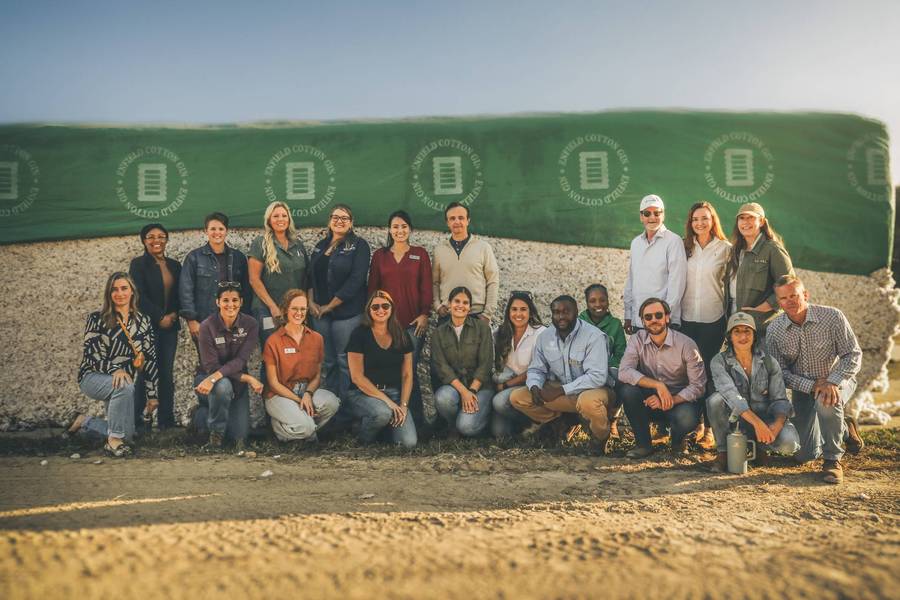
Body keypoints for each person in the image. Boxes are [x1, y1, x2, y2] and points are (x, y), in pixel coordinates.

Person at [767, 275, 862, 484]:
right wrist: (811, 385)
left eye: (794, 295)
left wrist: (831, 382)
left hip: (838, 380)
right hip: (804, 389)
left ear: (805, 295)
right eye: (783, 298)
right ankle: (844, 428)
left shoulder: (832, 317)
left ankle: (832, 461)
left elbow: (853, 355)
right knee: (805, 455)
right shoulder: (774, 330)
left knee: (826, 400)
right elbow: (779, 373)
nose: (789, 302)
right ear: (778, 302)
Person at [510, 295, 614, 454]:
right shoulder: (545, 337)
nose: (561, 317)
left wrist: (560, 390)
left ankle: (600, 438)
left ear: (576, 312)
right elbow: (536, 368)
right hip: (563, 394)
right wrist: (535, 386)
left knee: (588, 402)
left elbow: (597, 377)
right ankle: (559, 422)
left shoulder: (594, 336)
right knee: (518, 397)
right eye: (556, 312)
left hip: (594, 391)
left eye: (566, 312)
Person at [70, 272, 159, 457]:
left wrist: (152, 396)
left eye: (124, 288)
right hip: (93, 377)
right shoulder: (96, 319)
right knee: (125, 385)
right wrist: (115, 369)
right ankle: (112, 443)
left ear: (132, 292)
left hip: (122, 385)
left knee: (129, 437)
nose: (120, 293)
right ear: (109, 294)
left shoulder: (144, 322)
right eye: (114, 289)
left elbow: (149, 360)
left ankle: (85, 422)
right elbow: (91, 355)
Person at [706, 312, 800, 473]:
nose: (743, 336)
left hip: (765, 419)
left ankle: (760, 449)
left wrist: (776, 425)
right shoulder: (719, 361)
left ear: (754, 335)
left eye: (747, 331)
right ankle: (723, 452)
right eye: (737, 331)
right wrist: (757, 424)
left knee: (789, 444)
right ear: (729, 336)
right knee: (715, 400)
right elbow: (731, 395)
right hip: (735, 422)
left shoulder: (770, 362)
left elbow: (780, 400)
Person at [367, 210, 432, 433]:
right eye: (395, 226)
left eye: (404, 226)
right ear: (389, 229)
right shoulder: (380, 256)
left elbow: (426, 287)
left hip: (412, 326)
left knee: (409, 372)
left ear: (410, 229)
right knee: (389, 371)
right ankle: (390, 423)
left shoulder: (420, 254)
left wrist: (424, 313)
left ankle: (417, 425)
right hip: (386, 327)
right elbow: (372, 290)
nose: (400, 230)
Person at [617, 297, 706, 459]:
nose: (654, 320)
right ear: (643, 322)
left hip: (679, 401)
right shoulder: (637, 339)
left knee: (686, 417)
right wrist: (658, 385)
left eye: (658, 315)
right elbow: (623, 371)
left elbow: (698, 386)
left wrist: (669, 399)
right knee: (627, 390)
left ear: (667, 317)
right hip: (649, 400)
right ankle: (643, 445)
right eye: (648, 317)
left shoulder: (686, 344)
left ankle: (678, 443)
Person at [680, 201, 731, 449]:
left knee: (709, 372)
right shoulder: (683, 247)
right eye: (695, 219)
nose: (700, 223)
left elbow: (732, 284)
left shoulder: (725, 249)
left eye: (705, 218)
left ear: (713, 221)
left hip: (713, 319)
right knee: (690, 373)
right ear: (690, 223)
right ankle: (693, 426)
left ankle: (710, 429)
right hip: (686, 318)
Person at [308, 204, 371, 406]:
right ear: (329, 221)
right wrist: (310, 302)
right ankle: (331, 408)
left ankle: (348, 409)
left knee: (345, 362)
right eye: (336, 217)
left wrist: (330, 306)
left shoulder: (359, 245)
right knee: (328, 362)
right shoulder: (320, 246)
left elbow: (356, 280)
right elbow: (310, 278)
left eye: (345, 218)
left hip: (347, 314)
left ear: (351, 223)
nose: (339, 221)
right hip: (320, 315)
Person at [262, 289, 339, 442]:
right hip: (280, 394)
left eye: (303, 309)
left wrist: (308, 394)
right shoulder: (273, 340)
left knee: (332, 402)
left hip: (305, 391)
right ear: (285, 310)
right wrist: (299, 401)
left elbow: (317, 375)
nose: (299, 313)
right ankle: (281, 428)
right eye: (295, 309)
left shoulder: (317, 338)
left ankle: (301, 427)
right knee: (307, 428)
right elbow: (273, 383)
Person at [192, 282, 261, 450]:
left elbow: (241, 360)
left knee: (239, 435)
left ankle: (205, 413)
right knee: (222, 387)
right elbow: (211, 367)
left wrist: (242, 378)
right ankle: (215, 435)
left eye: (235, 300)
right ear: (217, 302)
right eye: (225, 300)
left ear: (241, 302)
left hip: (236, 383)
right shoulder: (207, 326)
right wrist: (247, 378)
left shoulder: (250, 324)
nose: (230, 305)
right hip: (207, 380)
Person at [346, 290, 417, 447]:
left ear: (392, 309)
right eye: (375, 307)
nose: (380, 310)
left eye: (385, 306)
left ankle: (383, 430)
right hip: (363, 394)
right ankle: (363, 440)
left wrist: (403, 406)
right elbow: (357, 377)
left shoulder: (402, 335)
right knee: (382, 413)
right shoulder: (359, 334)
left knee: (408, 443)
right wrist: (388, 403)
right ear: (369, 311)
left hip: (395, 394)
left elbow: (407, 375)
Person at [129, 223, 180, 430]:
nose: (156, 240)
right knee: (146, 374)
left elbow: (180, 293)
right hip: (147, 328)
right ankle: (137, 422)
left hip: (170, 328)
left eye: (161, 236)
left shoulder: (175, 265)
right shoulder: (138, 264)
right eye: (150, 237)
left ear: (166, 240)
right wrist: (159, 317)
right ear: (143, 241)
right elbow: (137, 295)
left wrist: (174, 314)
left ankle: (166, 423)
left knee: (166, 374)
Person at [248, 201, 310, 372]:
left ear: (289, 219)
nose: (280, 219)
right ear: (269, 220)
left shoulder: (298, 245)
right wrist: (273, 307)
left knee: (293, 354)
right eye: (276, 216)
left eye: (284, 215)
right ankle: (270, 396)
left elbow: (305, 279)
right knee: (271, 356)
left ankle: (289, 396)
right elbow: (254, 279)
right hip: (267, 309)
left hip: (293, 311)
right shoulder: (260, 243)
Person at [180, 212, 251, 348]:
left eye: (221, 229)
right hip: (205, 321)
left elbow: (246, 291)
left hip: (234, 321)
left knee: (236, 364)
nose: (217, 232)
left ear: (226, 231)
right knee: (209, 364)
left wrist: (245, 320)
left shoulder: (238, 257)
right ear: (206, 231)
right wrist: (191, 320)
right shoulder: (194, 258)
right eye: (213, 229)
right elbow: (185, 290)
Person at [431, 286, 494, 437]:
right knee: (442, 399)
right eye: (457, 301)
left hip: (480, 387)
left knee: (467, 427)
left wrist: (471, 391)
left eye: (465, 303)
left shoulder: (482, 329)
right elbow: (442, 367)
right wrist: (464, 391)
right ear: (449, 305)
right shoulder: (438, 333)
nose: (460, 305)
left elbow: (485, 363)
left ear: (470, 307)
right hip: (455, 387)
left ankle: (478, 420)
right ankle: (453, 426)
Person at [723, 202, 793, 334]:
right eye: (742, 218)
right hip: (734, 322)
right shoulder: (735, 251)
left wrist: (767, 306)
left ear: (761, 222)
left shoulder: (773, 249)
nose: (745, 222)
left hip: (762, 326)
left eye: (751, 217)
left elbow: (790, 284)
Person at [623, 194, 687, 334]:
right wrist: (628, 315)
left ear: (663, 215)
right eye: (647, 213)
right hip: (639, 321)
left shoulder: (674, 241)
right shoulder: (636, 243)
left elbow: (677, 284)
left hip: (663, 322)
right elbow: (631, 281)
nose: (652, 217)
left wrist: (663, 316)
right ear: (641, 217)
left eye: (657, 213)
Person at [432, 202, 500, 322]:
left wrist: (487, 314)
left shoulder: (483, 247)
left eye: (461, 218)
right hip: (448, 315)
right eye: (452, 218)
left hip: (476, 314)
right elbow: (434, 282)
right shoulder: (439, 250)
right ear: (447, 223)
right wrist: (437, 306)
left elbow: (492, 281)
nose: (457, 221)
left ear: (468, 220)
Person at [491, 291, 546, 438]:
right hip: (507, 385)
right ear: (508, 311)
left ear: (530, 311)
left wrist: (505, 385)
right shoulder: (499, 332)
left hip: (529, 386)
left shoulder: (540, 333)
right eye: (514, 309)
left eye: (523, 309)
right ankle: (519, 425)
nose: (518, 314)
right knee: (499, 433)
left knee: (499, 402)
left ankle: (533, 422)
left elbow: (537, 370)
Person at [578, 283, 628, 437]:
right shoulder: (579, 322)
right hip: (582, 370)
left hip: (607, 372)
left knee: (623, 378)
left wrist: (606, 367)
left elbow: (621, 353)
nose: (598, 304)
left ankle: (612, 418)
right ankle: (574, 423)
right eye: (593, 301)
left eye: (602, 300)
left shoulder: (615, 324)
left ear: (608, 301)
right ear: (587, 303)